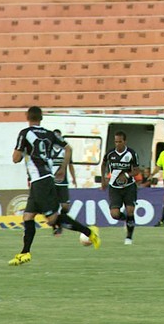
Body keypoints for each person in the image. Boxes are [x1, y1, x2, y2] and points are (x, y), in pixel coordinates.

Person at [8, 106, 99, 266]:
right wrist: (63, 168)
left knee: (52, 219)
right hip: (42, 180)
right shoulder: (49, 134)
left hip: (41, 180)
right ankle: (25, 253)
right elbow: (68, 148)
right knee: (28, 216)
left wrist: (21, 153)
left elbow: (16, 158)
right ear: (41, 118)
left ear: (27, 117)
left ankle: (89, 232)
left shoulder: (25, 133)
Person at [101, 131, 140, 245]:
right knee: (115, 214)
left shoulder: (131, 153)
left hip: (129, 186)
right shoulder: (110, 154)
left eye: (120, 142)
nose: (117, 144)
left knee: (130, 211)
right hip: (114, 187)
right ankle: (126, 220)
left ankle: (129, 237)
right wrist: (103, 179)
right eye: (116, 142)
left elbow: (137, 170)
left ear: (124, 141)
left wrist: (127, 175)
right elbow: (103, 164)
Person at [50, 129, 77, 236]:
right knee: (53, 206)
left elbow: (70, 165)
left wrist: (74, 178)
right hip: (51, 182)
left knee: (65, 206)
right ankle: (56, 227)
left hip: (63, 182)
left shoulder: (66, 150)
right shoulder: (49, 149)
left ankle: (60, 221)